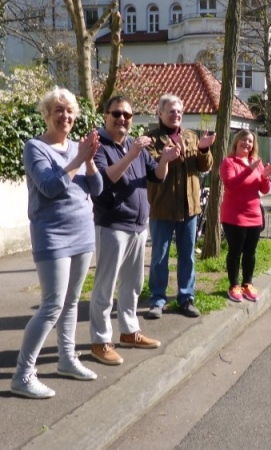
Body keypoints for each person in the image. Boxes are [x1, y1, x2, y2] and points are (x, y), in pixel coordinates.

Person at [11, 87, 103, 399]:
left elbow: (97, 188)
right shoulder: (35, 147)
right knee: (52, 305)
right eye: (58, 110)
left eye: (69, 111)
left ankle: (67, 359)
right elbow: (50, 188)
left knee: (72, 302)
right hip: (52, 235)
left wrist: (89, 161)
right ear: (47, 114)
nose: (65, 116)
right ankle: (23, 374)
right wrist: (79, 158)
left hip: (82, 232)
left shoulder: (78, 148)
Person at [89, 96, 181, 365]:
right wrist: (131, 155)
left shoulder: (133, 143)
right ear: (106, 115)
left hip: (138, 226)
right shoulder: (98, 144)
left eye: (127, 115)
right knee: (105, 287)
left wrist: (165, 160)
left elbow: (157, 176)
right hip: (112, 225)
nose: (122, 119)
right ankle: (100, 341)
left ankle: (129, 332)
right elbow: (106, 179)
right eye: (117, 114)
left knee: (132, 284)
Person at [145, 94, 214, 319]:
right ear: (160, 114)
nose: (175, 115)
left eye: (179, 111)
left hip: (189, 208)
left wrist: (203, 150)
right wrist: (172, 156)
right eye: (171, 111)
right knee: (160, 257)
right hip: (162, 207)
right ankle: (157, 300)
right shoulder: (151, 139)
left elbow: (204, 166)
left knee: (187, 256)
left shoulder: (191, 136)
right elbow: (153, 167)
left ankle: (186, 298)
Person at [220, 130, 271, 302]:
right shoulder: (229, 162)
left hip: (254, 215)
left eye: (250, 141)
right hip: (234, 216)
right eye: (244, 140)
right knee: (235, 251)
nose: (247, 143)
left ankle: (247, 284)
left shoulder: (256, 162)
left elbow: (264, 190)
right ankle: (234, 286)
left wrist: (265, 176)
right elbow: (231, 184)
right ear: (236, 142)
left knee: (250, 252)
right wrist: (248, 169)